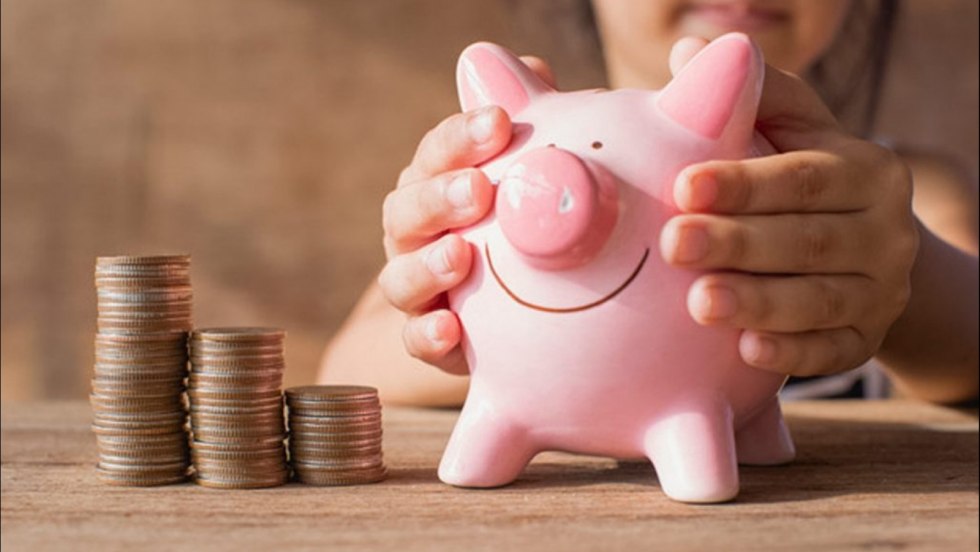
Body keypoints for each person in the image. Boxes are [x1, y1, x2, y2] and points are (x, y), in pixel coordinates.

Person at [319, 0, 979, 407]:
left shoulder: (906, 193)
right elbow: (346, 369)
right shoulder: (506, 173)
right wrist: (482, 318)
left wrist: (900, 276)